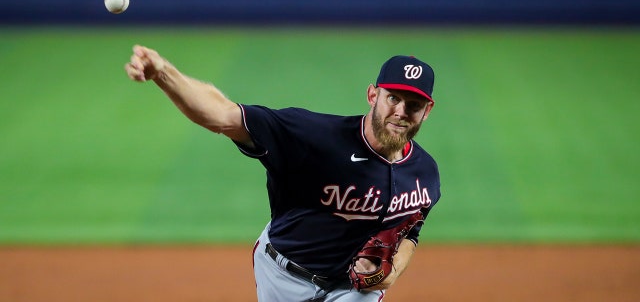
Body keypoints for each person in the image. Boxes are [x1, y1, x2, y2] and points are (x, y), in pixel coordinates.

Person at [125, 45, 441, 301]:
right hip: (283, 276)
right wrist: (163, 73)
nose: (400, 112)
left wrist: (393, 271)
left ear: (426, 111)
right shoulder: (313, 137)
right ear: (373, 96)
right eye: (393, 98)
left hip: (353, 290)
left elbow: (410, 230)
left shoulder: (424, 174)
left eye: (413, 105)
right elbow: (221, 114)